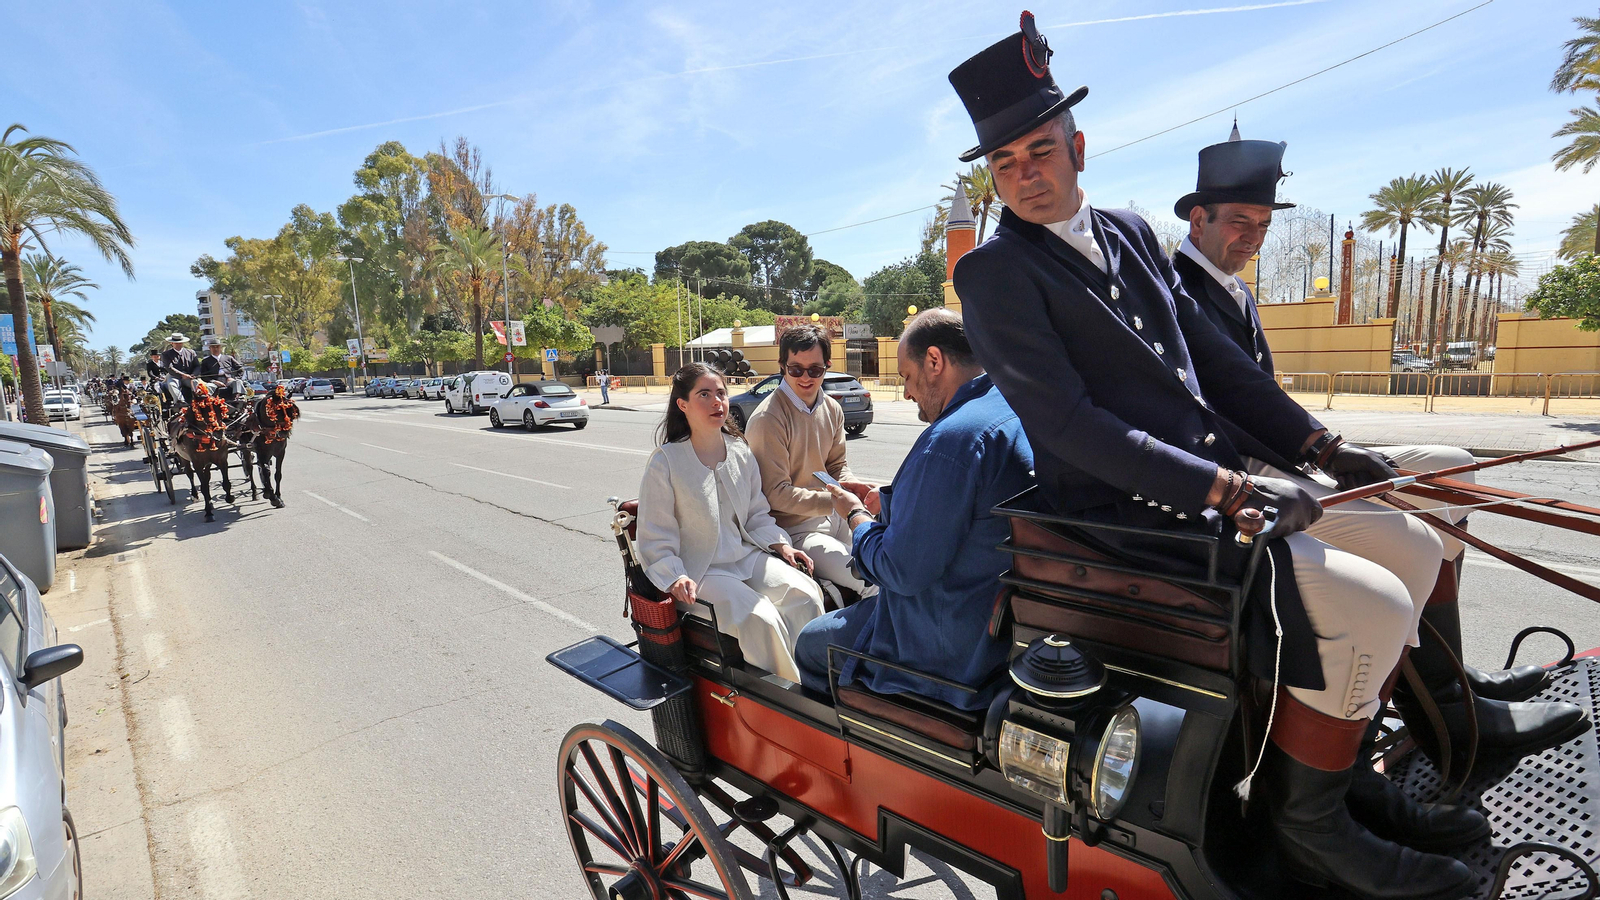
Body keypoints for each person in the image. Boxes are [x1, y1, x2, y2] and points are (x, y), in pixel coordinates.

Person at [946, 18, 1505, 899]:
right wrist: (1225, 485)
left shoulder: (1130, 232)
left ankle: (1342, 775)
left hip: (1220, 494)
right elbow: (1070, 427)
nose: (1026, 173)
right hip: (1131, 521)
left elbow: (1219, 368)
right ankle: (1307, 825)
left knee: (1414, 543)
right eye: (1006, 161)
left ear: (1077, 146)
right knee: (1378, 599)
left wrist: (1323, 448)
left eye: (1041, 149)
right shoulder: (994, 274)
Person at [1172, 131, 1582, 765]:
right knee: (1409, 539)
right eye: (1238, 222)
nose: (1252, 236)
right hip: (1251, 475)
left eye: (1261, 223)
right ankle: (1440, 714)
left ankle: (1450, 682)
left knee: (1453, 470)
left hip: (1295, 456)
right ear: (1198, 219)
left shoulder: (1235, 290)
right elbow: (1241, 393)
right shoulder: (1177, 290)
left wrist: (1331, 450)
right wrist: (1328, 451)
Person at [793, 310, 1034, 708]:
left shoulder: (952, 440)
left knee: (810, 645)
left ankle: (860, 750)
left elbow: (900, 570)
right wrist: (890, 499)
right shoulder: (1010, 407)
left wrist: (857, 517)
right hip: (989, 621)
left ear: (935, 361)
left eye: (906, 376)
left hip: (939, 639)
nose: (906, 393)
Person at [636, 363, 826, 682]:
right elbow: (655, 537)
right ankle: (794, 703)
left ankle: (821, 684)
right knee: (760, 618)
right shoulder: (665, 462)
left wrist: (782, 546)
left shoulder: (740, 451)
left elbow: (755, 514)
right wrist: (675, 576)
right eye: (705, 394)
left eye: (721, 393)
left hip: (744, 556)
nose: (717, 402)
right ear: (682, 404)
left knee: (804, 592)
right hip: (700, 570)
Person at [744, 324, 874, 603]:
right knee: (872, 578)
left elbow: (836, 464)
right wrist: (836, 501)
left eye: (814, 370)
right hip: (798, 530)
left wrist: (851, 487)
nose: (806, 377)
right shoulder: (769, 418)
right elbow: (775, 494)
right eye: (796, 369)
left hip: (836, 516)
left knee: (891, 561)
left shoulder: (832, 408)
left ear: (826, 367)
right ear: (782, 366)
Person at [158, 334, 199, 407]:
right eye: (176, 343)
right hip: (174, 376)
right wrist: (182, 375)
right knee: (172, 384)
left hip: (189, 376)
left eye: (180, 342)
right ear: (172, 343)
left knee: (196, 383)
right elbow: (170, 368)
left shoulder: (191, 352)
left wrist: (194, 374)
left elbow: (197, 366)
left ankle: (200, 400)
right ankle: (180, 401)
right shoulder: (166, 354)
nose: (178, 344)